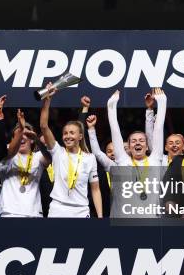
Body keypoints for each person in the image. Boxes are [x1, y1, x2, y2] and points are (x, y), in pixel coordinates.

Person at [40, 83, 102, 218]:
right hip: (57, 209)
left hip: (81, 211)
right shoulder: (58, 152)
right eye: (65, 133)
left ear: (80, 136)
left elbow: (95, 189)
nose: (67, 136)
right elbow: (44, 126)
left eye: (72, 133)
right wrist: (47, 99)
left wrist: (100, 217)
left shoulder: (89, 158)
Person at [106, 88, 167, 216]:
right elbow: (115, 131)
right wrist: (111, 106)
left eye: (141, 141)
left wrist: (162, 103)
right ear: (128, 146)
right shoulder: (123, 160)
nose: (137, 143)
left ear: (146, 146)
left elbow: (158, 129)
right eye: (133, 141)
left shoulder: (155, 160)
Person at [0, 109, 51, 217]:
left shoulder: (38, 157)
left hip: (34, 213)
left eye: (25, 134)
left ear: (31, 140)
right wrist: (21, 130)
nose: (22, 136)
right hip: (9, 212)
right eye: (18, 134)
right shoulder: (7, 154)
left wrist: (37, 139)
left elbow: (49, 158)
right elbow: (10, 151)